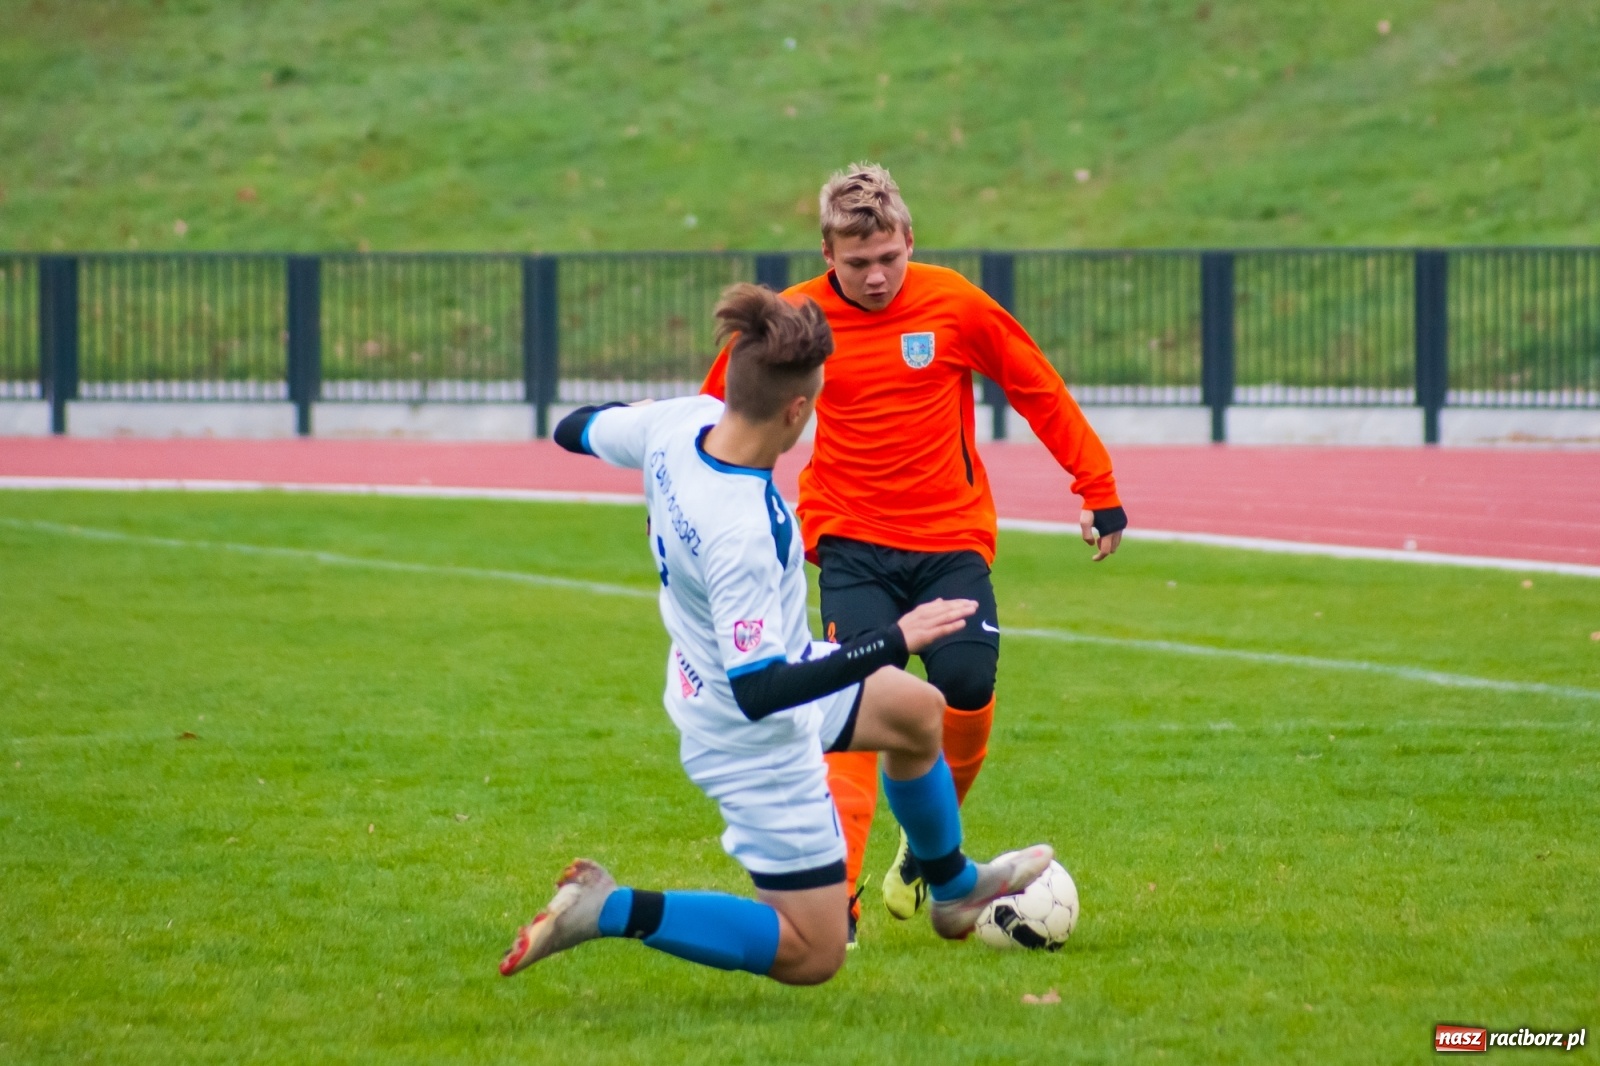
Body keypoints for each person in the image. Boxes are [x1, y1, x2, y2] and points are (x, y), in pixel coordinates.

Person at [500, 283, 1052, 986]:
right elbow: (761, 691)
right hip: (751, 733)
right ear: (796, 410)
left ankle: (952, 890)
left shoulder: (682, 422)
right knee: (812, 954)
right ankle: (610, 908)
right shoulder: (743, 532)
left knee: (918, 715)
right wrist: (897, 638)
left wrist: (631, 434)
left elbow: (573, 426)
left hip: (756, 667)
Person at [700, 164, 1126, 939]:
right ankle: (839, 900)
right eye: (856, 261)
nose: (875, 275)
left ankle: (932, 855)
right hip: (852, 545)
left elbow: (1036, 386)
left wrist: (1096, 485)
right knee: (860, 704)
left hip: (950, 540)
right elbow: (719, 410)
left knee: (966, 684)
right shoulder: (799, 319)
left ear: (909, 241)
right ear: (827, 251)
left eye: (888, 257)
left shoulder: (954, 303)